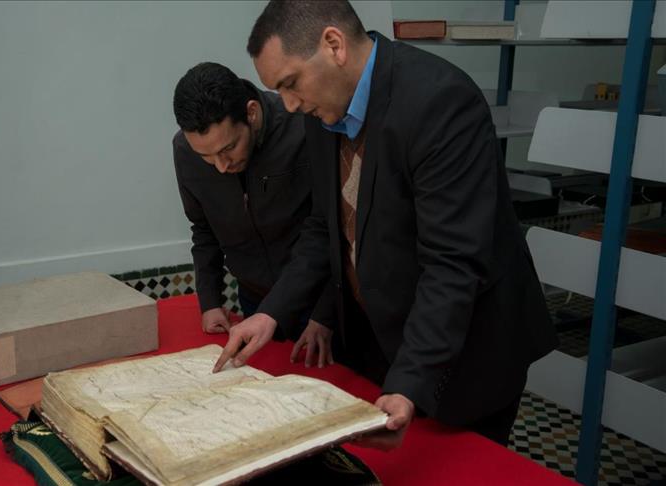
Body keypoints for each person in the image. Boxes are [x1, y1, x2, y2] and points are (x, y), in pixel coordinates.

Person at [214, 0, 558, 447]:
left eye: (291, 83)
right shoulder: (323, 111)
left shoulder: (440, 102)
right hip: (385, 340)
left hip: (470, 352)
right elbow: (324, 226)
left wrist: (408, 383)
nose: (291, 104)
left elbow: (452, 264)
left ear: (334, 45)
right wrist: (271, 313)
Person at [173, 62, 335, 365]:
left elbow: (331, 228)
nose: (221, 166)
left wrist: (326, 314)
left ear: (251, 113)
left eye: (229, 148)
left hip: (316, 300)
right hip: (254, 300)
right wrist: (210, 302)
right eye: (206, 156)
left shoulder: (302, 127)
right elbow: (203, 229)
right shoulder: (185, 150)